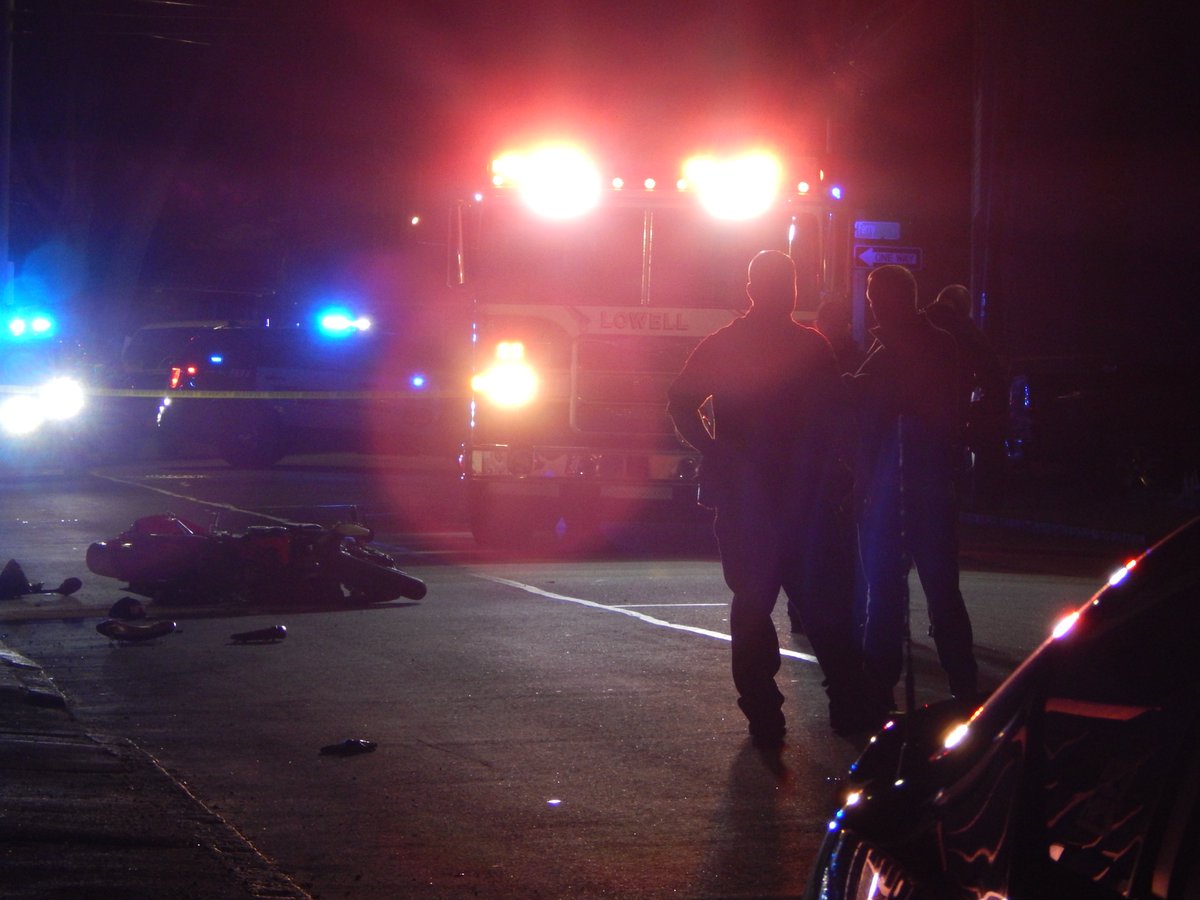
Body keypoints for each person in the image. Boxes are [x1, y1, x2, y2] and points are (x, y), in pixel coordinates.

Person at [667, 250, 870, 747]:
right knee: (822, 605)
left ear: (751, 289)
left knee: (754, 605)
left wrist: (714, 449)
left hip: (746, 497)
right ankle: (847, 704)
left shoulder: (725, 344)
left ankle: (764, 714)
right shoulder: (811, 345)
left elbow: (680, 401)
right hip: (803, 496)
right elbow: (838, 416)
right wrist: (846, 473)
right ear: (789, 290)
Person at [849, 265, 979, 713]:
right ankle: (962, 685)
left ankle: (881, 688)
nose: (870, 306)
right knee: (936, 592)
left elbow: (882, 408)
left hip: (903, 490)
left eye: (874, 297)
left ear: (894, 299)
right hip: (925, 489)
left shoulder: (905, 348)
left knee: (888, 594)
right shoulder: (925, 343)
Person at [923, 284, 1007, 509]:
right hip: (953, 409)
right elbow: (992, 371)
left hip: (915, 409)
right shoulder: (965, 330)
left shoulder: (920, 324)